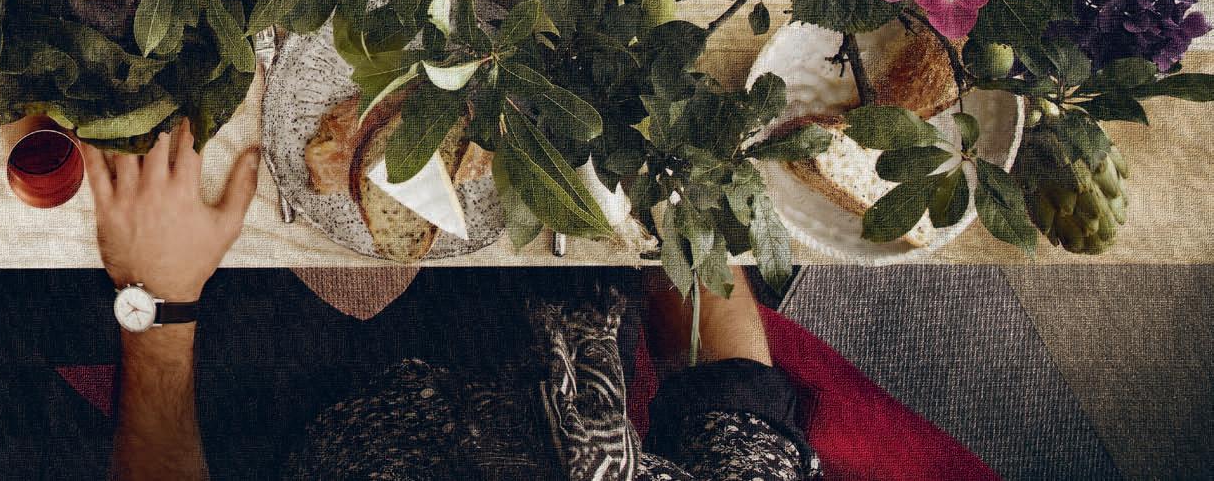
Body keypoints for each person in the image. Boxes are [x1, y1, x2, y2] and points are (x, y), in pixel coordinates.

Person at [87, 124, 822, 480]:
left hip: (288, 418)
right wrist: (663, 186)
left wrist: (159, 298)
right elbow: (727, 380)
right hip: (549, 349)